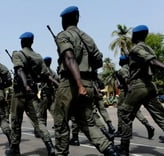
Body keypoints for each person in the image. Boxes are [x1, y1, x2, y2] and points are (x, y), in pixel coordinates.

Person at [53, 6, 119, 156]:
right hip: (88, 84)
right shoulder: (87, 38)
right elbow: (98, 62)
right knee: (88, 123)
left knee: (61, 123)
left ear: (64, 20)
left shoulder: (63, 35)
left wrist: (79, 84)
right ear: (77, 18)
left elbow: (69, 58)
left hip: (71, 84)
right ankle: (111, 151)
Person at [5, 32, 57, 156]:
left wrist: (25, 84)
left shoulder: (18, 54)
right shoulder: (38, 56)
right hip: (33, 92)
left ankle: (15, 149)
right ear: (32, 42)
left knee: (16, 121)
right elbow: (45, 76)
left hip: (20, 93)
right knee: (39, 121)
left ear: (22, 42)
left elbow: (19, 70)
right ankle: (50, 146)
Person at [117, 25, 164, 156]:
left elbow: (152, 62)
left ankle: (124, 148)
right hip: (150, 86)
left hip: (138, 86)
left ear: (136, 36)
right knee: (160, 116)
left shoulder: (137, 48)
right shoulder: (149, 48)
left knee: (124, 114)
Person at [114, 55, 155, 139]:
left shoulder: (123, 69)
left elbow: (126, 80)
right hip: (134, 91)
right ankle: (147, 125)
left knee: (121, 111)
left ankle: (121, 130)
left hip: (125, 92)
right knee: (135, 111)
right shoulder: (131, 68)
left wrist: (125, 87)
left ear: (121, 61)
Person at [38, 56, 59, 126]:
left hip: (45, 95)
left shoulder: (43, 71)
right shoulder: (53, 72)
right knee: (53, 111)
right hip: (52, 94)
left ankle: (43, 130)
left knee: (42, 114)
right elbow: (57, 81)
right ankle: (58, 125)